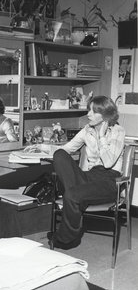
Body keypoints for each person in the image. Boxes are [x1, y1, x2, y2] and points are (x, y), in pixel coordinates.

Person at [35, 95, 125, 249]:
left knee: (71, 195)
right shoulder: (87, 130)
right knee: (60, 155)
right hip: (89, 176)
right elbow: (67, 148)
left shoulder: (118, 131)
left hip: (110, 181)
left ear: (104, 115)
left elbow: (109, 162)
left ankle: (65, 239)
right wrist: (40, 149)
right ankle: (74, 202)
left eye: (92, 111)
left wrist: (102, 137)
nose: (88, 114)